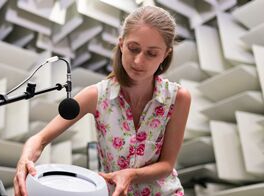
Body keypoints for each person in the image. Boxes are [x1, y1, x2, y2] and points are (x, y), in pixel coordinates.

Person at [13, 5, 191, 196]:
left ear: (165, 54)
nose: (139, 61)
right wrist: (24, 159)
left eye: (151, 53)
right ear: (121, 44)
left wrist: (131, 174)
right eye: (133, 48)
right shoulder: (96, 95)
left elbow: (166, 165)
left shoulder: (178, 98)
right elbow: (39, 139)